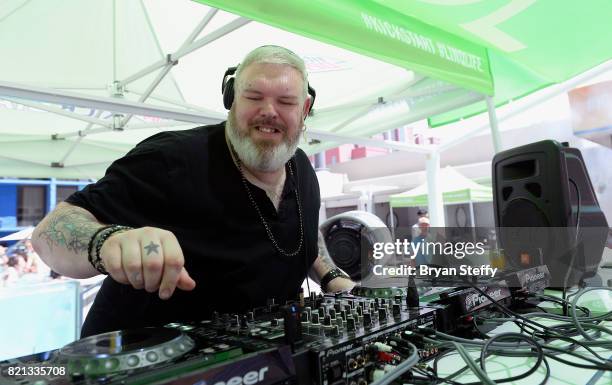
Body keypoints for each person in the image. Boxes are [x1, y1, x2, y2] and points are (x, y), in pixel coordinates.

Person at [32, 46, 355, 337]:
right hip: (143, 365)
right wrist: (107, 242)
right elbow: (49, 232)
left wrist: (333, 278)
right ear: (231, 99)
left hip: (259, 364)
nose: (269, 111)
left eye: (286, 101)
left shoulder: (302, 168)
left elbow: (303, 235)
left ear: (304, 109)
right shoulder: (170, 159)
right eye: (254, 97)